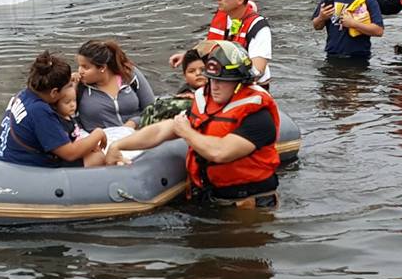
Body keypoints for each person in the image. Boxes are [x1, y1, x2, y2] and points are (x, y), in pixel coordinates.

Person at [107, 40, 281, 209]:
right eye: (211, 79)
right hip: (211, 196)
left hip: (249, 203)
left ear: (240, 83)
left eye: (222, 81)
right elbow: (162, 130)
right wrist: (119, 145)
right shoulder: (206, 101)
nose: (214, 86)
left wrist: (187, 132)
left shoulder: (258, 116)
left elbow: (220, 152)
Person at [0, 50, 107, 168]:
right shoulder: (39, 111)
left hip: (10, 157)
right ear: (54, 92)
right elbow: (70, 153)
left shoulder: (23, 94)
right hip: (24, 166)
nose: (71, 89)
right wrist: (98, 134)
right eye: (68, 86)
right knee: (97, 157)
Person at [168, 0, 273, 88]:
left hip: (251, 87)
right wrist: (187, 55)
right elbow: (211, 42)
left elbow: (257, 70)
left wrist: (224, 79)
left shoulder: (258, 27)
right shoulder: (223, 16)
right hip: (221, 82)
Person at [76, 40, 155, 130]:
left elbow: (152, 109)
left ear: (102, 67)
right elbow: (65, 120)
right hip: (100, 141)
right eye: (79, 66)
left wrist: (134, 122)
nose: (80, 71)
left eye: (85, 67)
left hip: (136, 136)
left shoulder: (130, 75)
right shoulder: (77, 86)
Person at [139, 49, 207, 127]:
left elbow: (225, 66)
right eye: (191, 71)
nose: (198, 73)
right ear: (184, 76)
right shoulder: (182, 95)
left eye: (203, 70)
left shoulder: (219, 90)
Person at [53, 82, 106, 166]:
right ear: (55, 105)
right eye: (67, 102)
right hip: (68, 159)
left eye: (74, 100)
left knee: (99, 153)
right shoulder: (60, 123)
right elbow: (68, 148)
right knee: (98, 158)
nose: (72, 105)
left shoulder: (70, 118)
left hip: (77, 149)